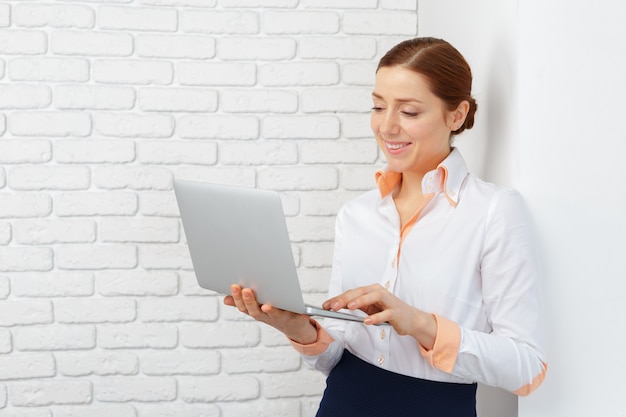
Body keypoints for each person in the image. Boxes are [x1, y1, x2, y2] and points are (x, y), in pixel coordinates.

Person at [224, 37, 547, 416]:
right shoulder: (356, 215)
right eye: (378, 107)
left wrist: (419, 323)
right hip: (343, 402)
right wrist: (298, 328)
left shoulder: (494, 211)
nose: (387, 126)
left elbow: (527, 367)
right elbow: (337, 357)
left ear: (456, 115)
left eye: (409, 112)